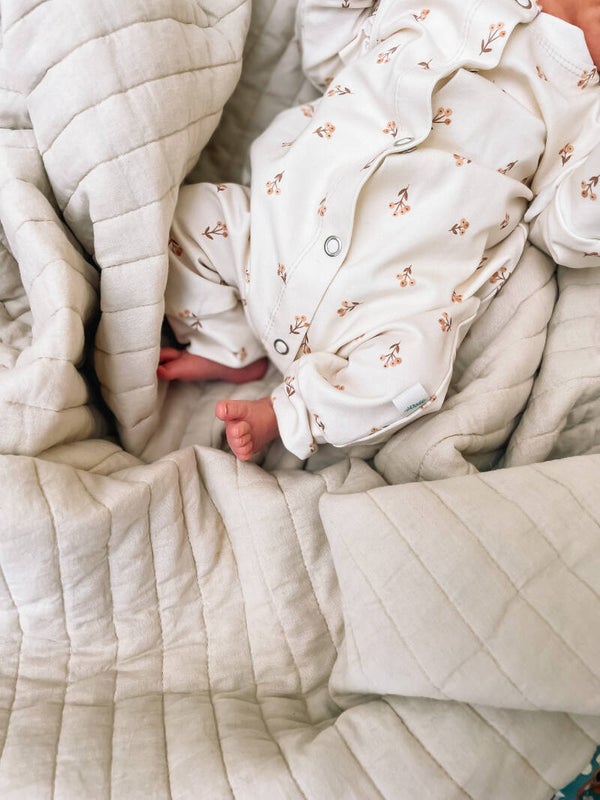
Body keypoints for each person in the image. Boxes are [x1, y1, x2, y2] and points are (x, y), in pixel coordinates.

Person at [158, 0, 600, 461]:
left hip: (385, 302)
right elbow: (330, 51)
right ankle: (230, 344)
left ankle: (293, 412)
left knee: (415, 379)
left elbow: (567, 228)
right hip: (274, 237)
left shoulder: (585, 109)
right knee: (186, 218)